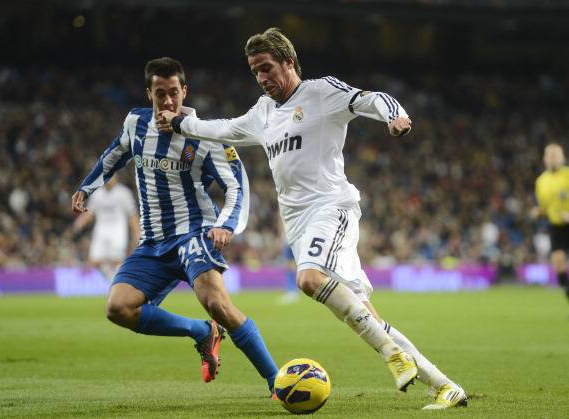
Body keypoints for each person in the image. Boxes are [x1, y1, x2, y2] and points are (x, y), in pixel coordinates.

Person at [156, 28, 466, 410]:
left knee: (309, 278)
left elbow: (371, 99)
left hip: (332, 207)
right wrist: (181, 123)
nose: (262, 77)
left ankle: (391, 354)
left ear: (288, 62)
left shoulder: (320, 93)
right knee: (363, 315)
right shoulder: (263, 112)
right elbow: (223, 129)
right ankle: (445, 386)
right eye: (255, 71)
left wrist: (396, 116)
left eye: (267, 67)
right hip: (298, 224)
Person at [71, 57, 277, 393]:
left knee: (217, 304)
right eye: (160, 94)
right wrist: (88, 187)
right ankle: (200, 332)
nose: (167, 102)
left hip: (194, 233)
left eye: (174, 94)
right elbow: (115, 153)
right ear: (149, 94)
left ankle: (276, 381)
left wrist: (225, 224)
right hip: (153, 242)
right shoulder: (135, 124)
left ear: (185, 91)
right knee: (118, 308)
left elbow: (237, 184)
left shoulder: (204, 133)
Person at [73, 173, 140, 280]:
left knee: (117, 260)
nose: (109, 179)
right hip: (101, 230)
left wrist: (137, 232)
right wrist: (79, 223)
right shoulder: (97, 194)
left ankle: (118, 284)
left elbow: (132, 214)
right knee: (95, 260)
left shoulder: (124, 193)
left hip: (118, 230)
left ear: (117, 177)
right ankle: (112, 279)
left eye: (112, 177)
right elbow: (90, 212)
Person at [532, 143, 569, 302]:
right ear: (545, 159)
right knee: (558, 261)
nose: (553, 158)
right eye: (550, 155)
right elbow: (544, 207)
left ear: (562, 158)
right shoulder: (541, 181)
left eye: (556, 155)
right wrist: (538, 212)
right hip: (556, 226)